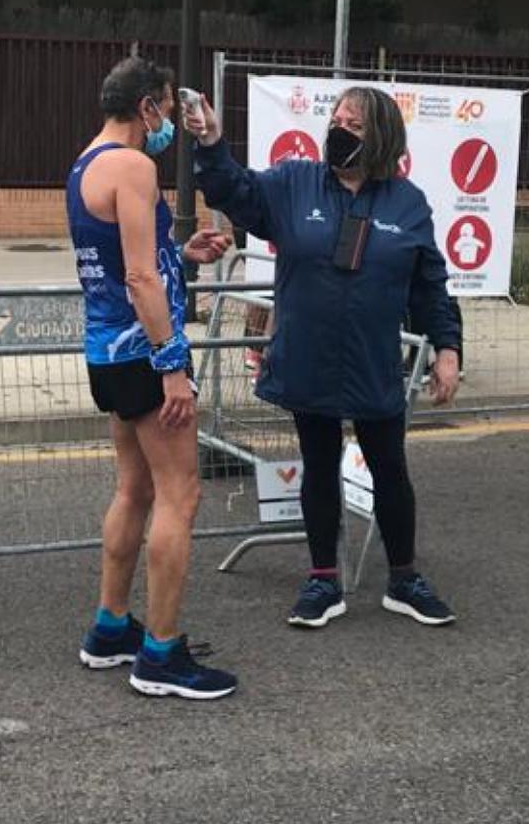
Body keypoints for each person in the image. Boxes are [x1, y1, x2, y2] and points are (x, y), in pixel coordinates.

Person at [186, 85, 463, 629]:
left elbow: (430, 286)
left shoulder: (408, 205)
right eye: (336, 119)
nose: (340, 130)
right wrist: (212, 142)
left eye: (355, 125)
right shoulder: (294, 183)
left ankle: (404, 579)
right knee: (318, 464)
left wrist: (447, 348)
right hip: (308, 357)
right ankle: (322, 581)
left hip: (373, 362)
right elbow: (232, 189)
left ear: (380, 136)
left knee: (390, 468)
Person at [70, 57, 239, 700]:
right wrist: (173, 366)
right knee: (180, 494)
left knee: (134, 489)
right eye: (166, 109)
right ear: (146, 107)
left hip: (107, 353)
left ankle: (111, 627)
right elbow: (139, 280)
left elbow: (128, 261)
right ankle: (161, 655)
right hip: (145, 353)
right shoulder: (134, 166)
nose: (170, 121)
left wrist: (182, 253)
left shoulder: (86, 162)